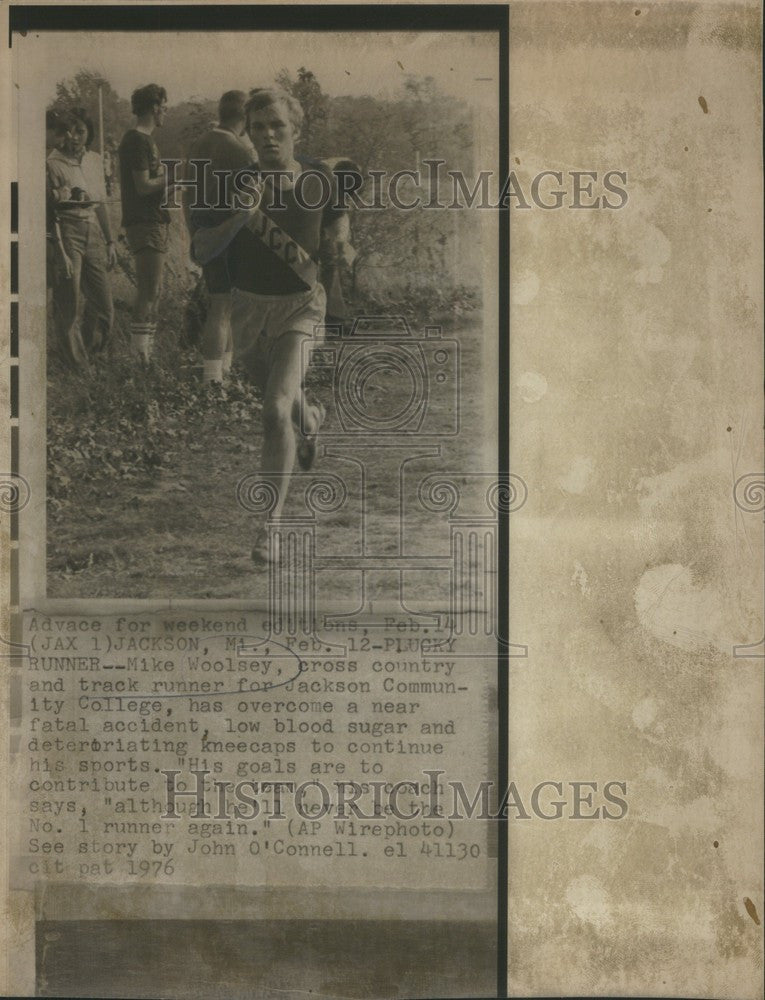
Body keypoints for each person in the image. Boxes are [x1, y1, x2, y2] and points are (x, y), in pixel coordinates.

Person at [189, 88, 354, 562]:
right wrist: (239, 218)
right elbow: (201, 249)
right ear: (250, 132)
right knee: (281, 398)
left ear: (295, 130)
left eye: (277, 126)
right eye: (258, 127)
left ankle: (271, 526)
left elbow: (338, 222)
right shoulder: (230, 184)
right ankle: (313, 417)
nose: (267, 135)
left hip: (302, 305)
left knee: (272, 410)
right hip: (248, 310)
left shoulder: (320, 176)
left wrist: (340, 242)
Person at [183, 90, 254, 384]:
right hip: (229, 231)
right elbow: (253, 200)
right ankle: (215, 378)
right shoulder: (239, 150)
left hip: (202, 229)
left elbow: (186, 194)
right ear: (245, 118)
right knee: (224, 308)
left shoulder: (200, 144)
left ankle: (219, 373)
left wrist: (194, 234)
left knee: (219, 305)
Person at [46, 108, 116, 367]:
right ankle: (77, 366)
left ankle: (91, 353)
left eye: (80, 131)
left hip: (93, 232)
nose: (74, 137)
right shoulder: (52, 164)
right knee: (69, 302)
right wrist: (60, 250)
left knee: (104, 305)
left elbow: (101, 204)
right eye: (69, 131)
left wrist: (110, 241)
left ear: (89, 134)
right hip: (66, 231)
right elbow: (48, 211)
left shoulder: (95, 160)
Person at [118, 83, 172, 362]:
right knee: (149, 290)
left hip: (153, 220)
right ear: (153, 107)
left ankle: (145, 355)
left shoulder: (145, 140)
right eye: (164, 105)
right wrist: (172, 176)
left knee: (155, 290)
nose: (166, 110)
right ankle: (139, 359)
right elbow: (142, 186)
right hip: (144, 222)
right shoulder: (137, 140)